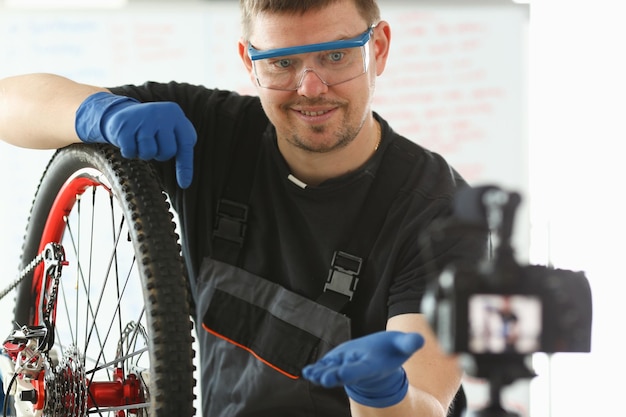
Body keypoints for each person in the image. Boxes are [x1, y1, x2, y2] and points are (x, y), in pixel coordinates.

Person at [0, 0, 486, 416]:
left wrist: (383, 388)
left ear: (377, 48)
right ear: (248, 61)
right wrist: (96, 113)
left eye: (336, 56)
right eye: (281, 63)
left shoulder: (442, 216)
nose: (311, 87)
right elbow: (9, 101)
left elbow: (425, 402)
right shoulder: (208, 137)